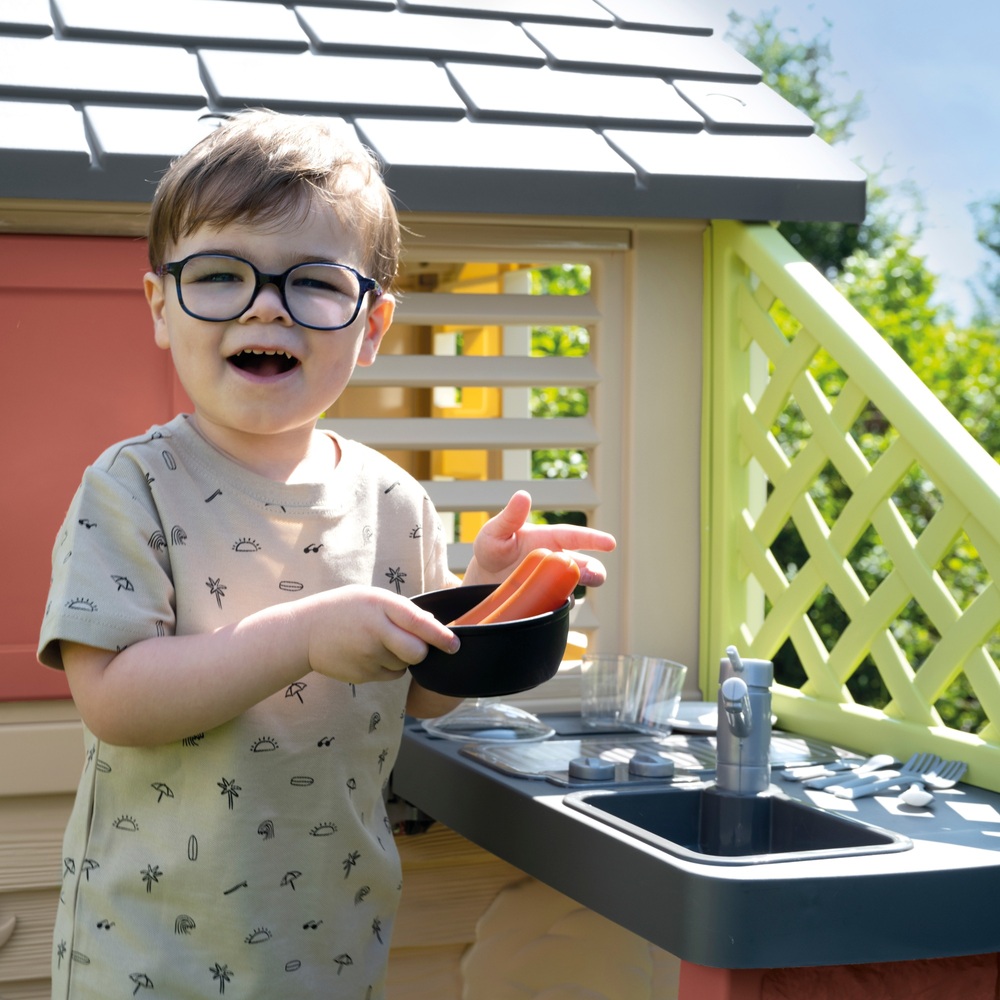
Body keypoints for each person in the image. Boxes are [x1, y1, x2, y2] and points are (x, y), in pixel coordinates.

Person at [37, 109, 616, 1000]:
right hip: (154, 949)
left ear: (372, 325)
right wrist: (303, 639)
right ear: (162, 307)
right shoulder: (132, 486)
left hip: (330, 937)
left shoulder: (396, 500)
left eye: (313, 283)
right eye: (223, 275)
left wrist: (486, 599)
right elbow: (113, 699)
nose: (267, 304)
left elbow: (422, 694)